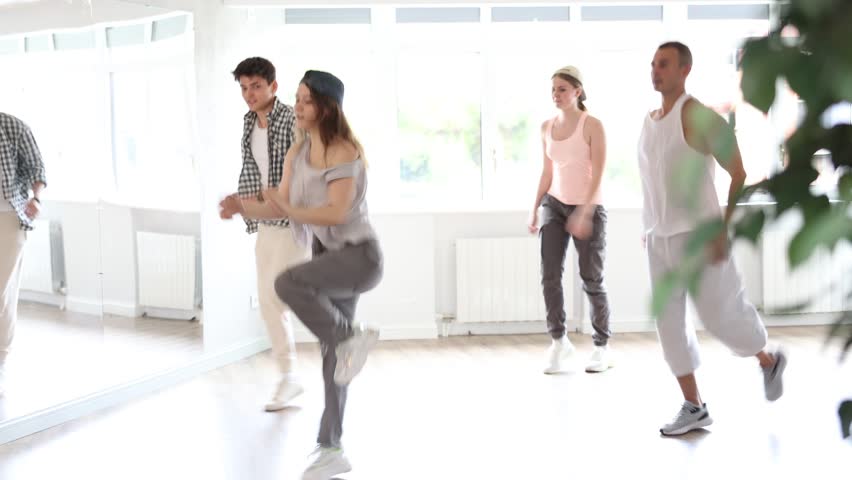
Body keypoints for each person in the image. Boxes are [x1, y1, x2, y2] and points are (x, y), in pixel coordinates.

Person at [220, 70, 382, 480]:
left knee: (286, 283)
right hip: (329, 256)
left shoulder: (344, 151)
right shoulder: (299, 151)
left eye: (306, 100)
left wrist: (289, 209)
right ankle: (332, 448)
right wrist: (242, 206)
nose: (298, 106)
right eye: (297, 98)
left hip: (359, 258)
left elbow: (337, 212)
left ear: (326, 107)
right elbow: (279, 204)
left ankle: (347, 334)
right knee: (336, 361)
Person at [638, 42, 787, 436]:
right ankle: (694, 406)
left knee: (721, 317)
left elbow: (738, 171)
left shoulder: (699, 116)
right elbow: (650, 182)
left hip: (698, 236)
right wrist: (649, 226)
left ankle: (768, 361)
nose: (656, 71)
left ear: (685, 69)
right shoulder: (649, 120)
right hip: (660, 238)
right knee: (669, 325)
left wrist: (723, 224)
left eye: (664, 64)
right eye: (653, 64)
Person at [219, 57, 311, 412]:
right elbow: (257, 175)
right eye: (243, 88)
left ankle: (341, 329)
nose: (249, 94)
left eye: (256, 86)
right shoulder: (248, 123)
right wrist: (243, 204)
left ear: (273, 86)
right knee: (268, 300)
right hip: (265, 222)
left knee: (280, 295)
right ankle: (289, 378)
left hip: (292, 220)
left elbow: (299, 172)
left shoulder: (291, 119)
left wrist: (253, 203)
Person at [528, 66, 613, 374]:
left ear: (578, 91)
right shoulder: (546, 127)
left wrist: (584, 211)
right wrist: (534, 207)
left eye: (562, 89)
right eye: (553, 89)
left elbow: (599, 172)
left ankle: (602, 346)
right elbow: (547, 172)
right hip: (555, 204)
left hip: (588, 206)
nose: (556, 94)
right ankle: (559, 341)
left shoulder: (593, 125)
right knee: (549, 274)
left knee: (591, 278)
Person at [0, 112, 47, 396]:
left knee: (2, 292)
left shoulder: (12, 126)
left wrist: (36, 198)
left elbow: (37, 168)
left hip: (7, 217)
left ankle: (1, 359)